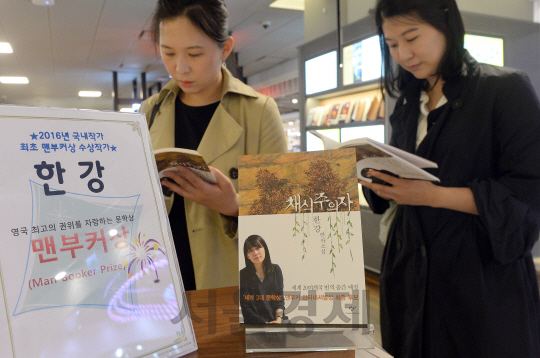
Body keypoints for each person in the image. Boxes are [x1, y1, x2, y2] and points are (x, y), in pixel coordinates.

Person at [360, 0, 540, 357]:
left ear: (446, 22)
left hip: (481, 282)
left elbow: (527, 194)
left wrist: (432, 196)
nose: (404, 54)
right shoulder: (410, 103)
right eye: (392, 44)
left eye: (412, 37)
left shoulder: (504, 90)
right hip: (410, 273)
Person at [140, 0, 287, 291]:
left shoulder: (258, 112)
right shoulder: (150, 111)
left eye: (195, 54)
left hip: (231, 279)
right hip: (161, 281)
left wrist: (233, 207)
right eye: (168, 53)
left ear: (226, 49)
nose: (180, 67)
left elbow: (285, 213)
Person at [240, 235, 285, 324]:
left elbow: (280, 300)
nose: (255, 253)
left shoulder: (276, 270)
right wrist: (265, 324)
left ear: (265, 249)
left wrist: (278, 319)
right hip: (255, 323)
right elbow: (245, 307)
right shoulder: (243, 275)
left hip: (276, 320)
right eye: (250, 250)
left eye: (258, 248)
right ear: (247, 256)